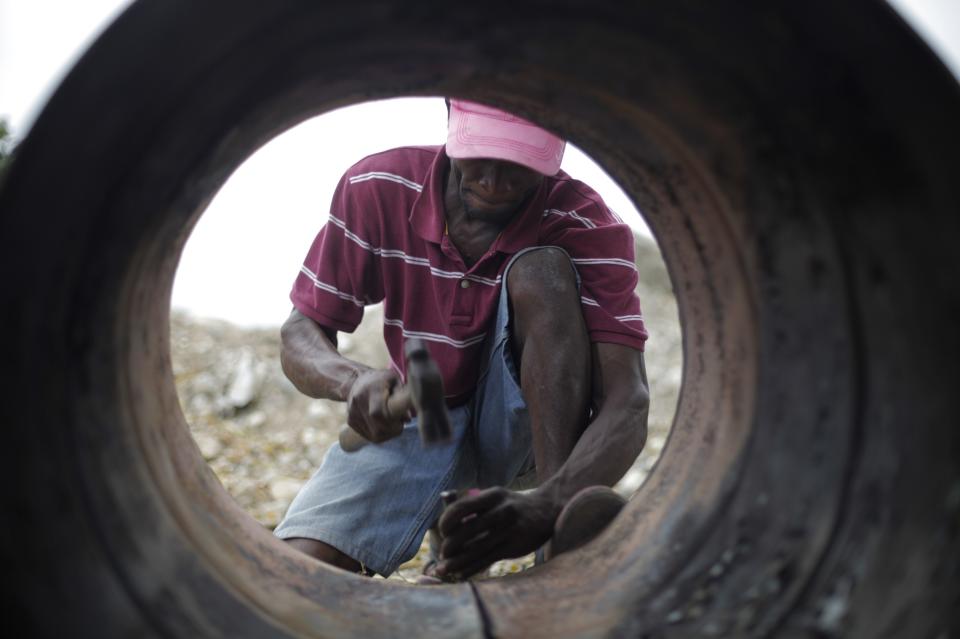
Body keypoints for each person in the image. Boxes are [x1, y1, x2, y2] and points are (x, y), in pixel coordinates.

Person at [275, 99, 650, 581]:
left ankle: (559, 542)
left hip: (529, 432)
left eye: (518, 163)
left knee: (543, 272)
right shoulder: (378, 186)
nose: (495, 182)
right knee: (298, 574)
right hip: (424, 410)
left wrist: (549, 504)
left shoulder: (586, 224)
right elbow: (301, 332)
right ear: (452, 116)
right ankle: (454, 539)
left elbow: (628, 402)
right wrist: (351, 381)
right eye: (481, 156)